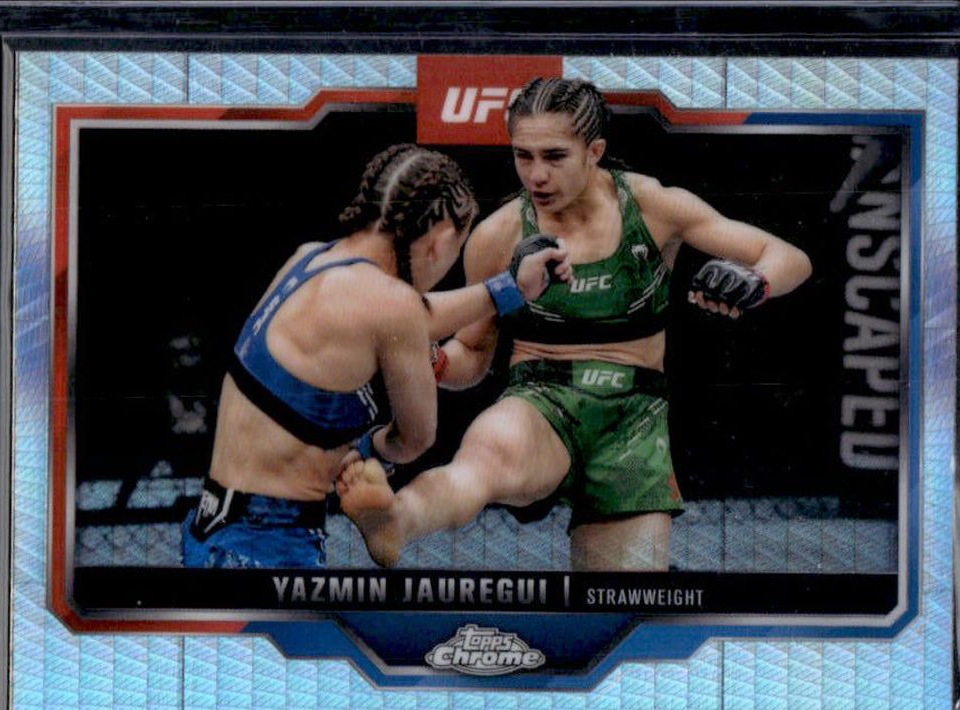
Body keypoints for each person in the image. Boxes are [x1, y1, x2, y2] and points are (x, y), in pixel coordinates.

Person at [338, 78, 812, 571]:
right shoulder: (498, 235)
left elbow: (788, 257)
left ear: (594, 151)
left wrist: (755, 281)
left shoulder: (652, 206)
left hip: (633, 420)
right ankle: (396, 519)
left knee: (620, 600)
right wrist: (434, 360)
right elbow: (474, 355)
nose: (536, 175)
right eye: (523, 156)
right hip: (540, 401)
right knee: (476, 466)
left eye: (554, 156)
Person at [181, 143, 569, 568]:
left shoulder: (313, 257)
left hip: (213, 529)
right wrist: (371, 454)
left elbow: (418, 315)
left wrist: (511, 287)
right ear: (440, 242)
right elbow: (416, 438)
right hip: (263, 548)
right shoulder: (391, 305)